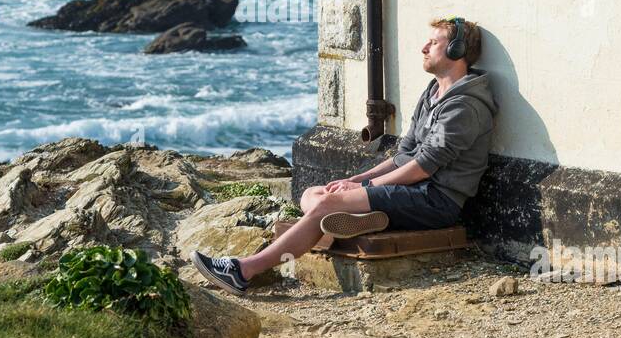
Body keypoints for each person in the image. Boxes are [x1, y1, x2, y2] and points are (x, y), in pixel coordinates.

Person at [192, 16, 498, 295]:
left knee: (325, 204)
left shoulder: (464, 107)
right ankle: (363, 218)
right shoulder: (434, 92)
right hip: (412, 189)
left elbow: (423, 167)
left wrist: (366, 189)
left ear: (457, 50)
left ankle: (243, 270)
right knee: (316, 193)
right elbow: (404, 153)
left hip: (435, 200)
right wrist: (357, 179)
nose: (423, 47)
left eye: (434, 43)